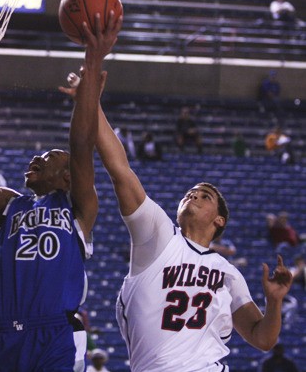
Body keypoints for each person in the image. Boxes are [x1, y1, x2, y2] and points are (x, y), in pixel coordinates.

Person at [60, 68, 293, 371]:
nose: (193, 196)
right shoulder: (158, 235)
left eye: (204, 195)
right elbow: (120, 171)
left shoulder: (228, 273)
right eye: (190, 193)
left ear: (220, 220)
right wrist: (91, 103)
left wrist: (273, 303)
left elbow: (262, 339)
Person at [0, 11, 121, 372]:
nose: (36, 157)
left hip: (53, 337)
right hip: (1, 336)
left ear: (66, 178)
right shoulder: (9, 204)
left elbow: (81, 143)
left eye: (48, 157)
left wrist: (93, 62)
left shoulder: (79, 206)